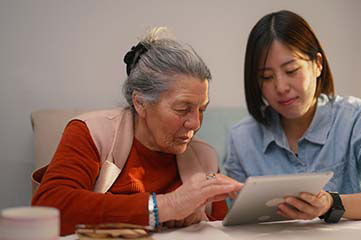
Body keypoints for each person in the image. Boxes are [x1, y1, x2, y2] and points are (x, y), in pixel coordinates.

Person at [32, 27, 242, 236]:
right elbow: (50, 207)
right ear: (140, 103)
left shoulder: (204, 157)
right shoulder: (91, 133)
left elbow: (221, 231)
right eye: (182, 109)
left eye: (202, 109)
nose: (196, 123)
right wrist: (166, 206)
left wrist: (199, 218)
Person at [224, 10, 361, 223]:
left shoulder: (355, 118)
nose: (281, 87)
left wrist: (331, 203)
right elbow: (237, 222)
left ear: (318, 64)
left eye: (291, 70)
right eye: (267, 77)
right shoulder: (241, 139)